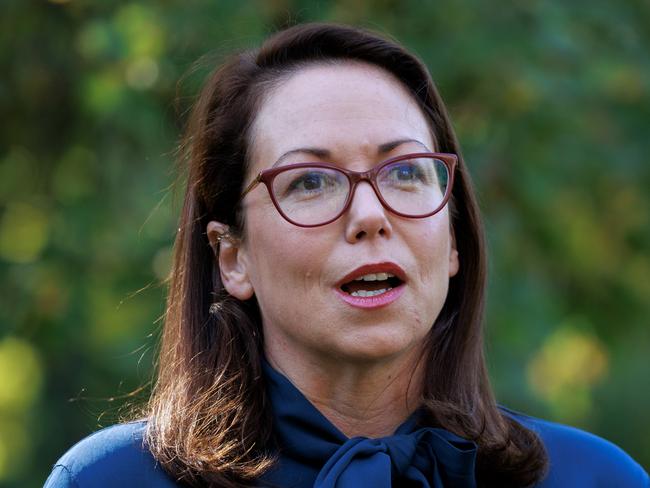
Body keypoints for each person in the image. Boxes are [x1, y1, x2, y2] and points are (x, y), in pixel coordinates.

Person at [44, 22, 648, 488]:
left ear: (455, 237)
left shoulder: (594, 478)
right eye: (310, 181)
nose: (370, 216)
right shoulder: (108, 480)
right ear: (233, 257)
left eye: (406, 171)